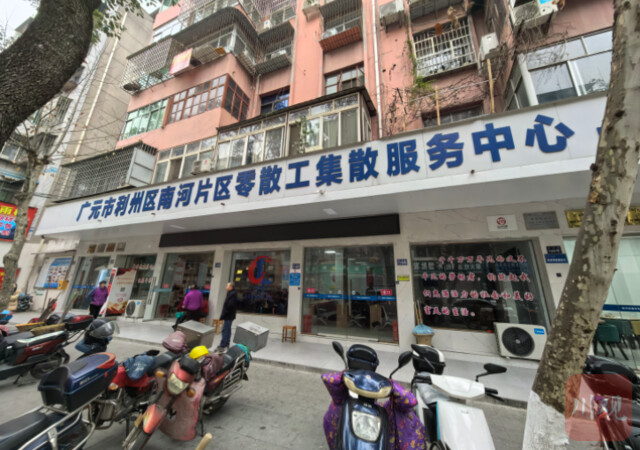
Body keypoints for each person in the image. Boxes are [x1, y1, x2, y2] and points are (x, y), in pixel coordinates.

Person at [216, 282, 237, 353]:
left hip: (228, 315)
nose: (226, 287)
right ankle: (226, 343)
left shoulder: (232, 294)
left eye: (227, 286)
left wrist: (225, 313)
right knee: (227, 329)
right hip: (229, 315)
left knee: (225, 330)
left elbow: (229, 305)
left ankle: (223, 345)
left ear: (231, 287)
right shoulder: (231, 293)